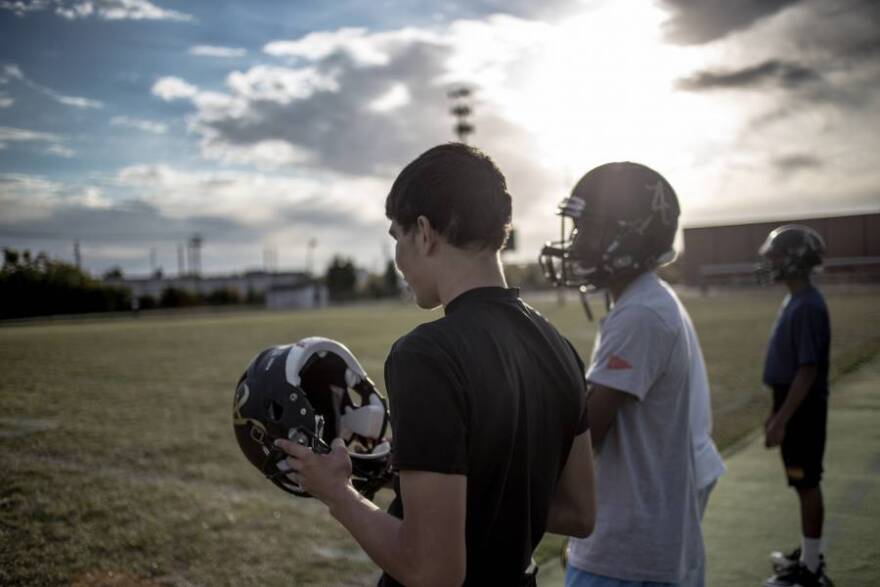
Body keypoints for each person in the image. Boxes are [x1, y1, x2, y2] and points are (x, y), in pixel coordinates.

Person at [275, 143, 596, 586]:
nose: (398, 260)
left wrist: (336, 492)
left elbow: (433, 571)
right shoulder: (558, 346)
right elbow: (580, 512)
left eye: (396, 238)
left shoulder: (426, 355)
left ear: (424, 232)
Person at [540, 161, 706, 586]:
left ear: (630, 234)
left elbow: (588, 432)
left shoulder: (641, 313)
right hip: (640, 542)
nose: (575, 242)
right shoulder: (645, 301)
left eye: (588, 228)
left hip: (626, 557)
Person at [756, 225, 832, 587]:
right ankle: (808, 553)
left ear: (796, 260)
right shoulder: (795, 300)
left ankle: (811, 567)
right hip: (791, 404)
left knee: (806, 482)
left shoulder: (808, 305)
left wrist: (782, 419)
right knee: (800, 482)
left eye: (777, 257)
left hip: (802, 408)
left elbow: (807, 369)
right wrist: (776, 412)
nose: (771, 264)